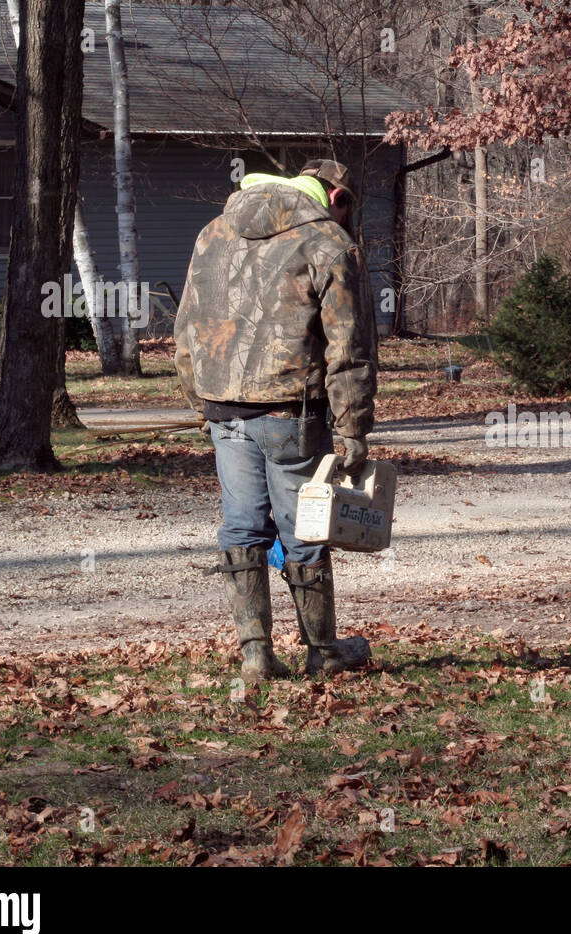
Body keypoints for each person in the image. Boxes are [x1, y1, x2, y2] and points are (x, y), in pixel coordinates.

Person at [173, 159, 377, 680]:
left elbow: (186, 330)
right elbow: (349, 346)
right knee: (305, 532)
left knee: (242, 528)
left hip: (224, 409)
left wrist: (202, 406)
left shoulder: (213, 233)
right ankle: (323, 651)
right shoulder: (329, 242)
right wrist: (352, 427)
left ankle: (255, 655)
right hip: (291, 411)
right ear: (337, 197)